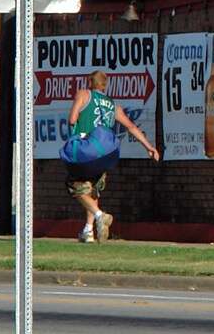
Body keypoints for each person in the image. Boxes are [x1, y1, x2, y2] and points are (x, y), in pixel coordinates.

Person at [63, 69, 159, 241]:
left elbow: (72, 119)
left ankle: (99, 215)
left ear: (90, 82)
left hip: (86, 150)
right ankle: (89, 230)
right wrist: (149, 147)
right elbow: (131, 127)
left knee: (75, 186)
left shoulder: (84, 94)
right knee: (93, 190)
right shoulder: (114, 106)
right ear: (104, 86)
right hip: (104, 153)